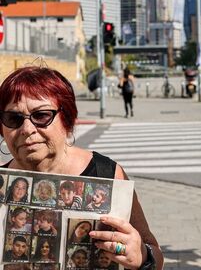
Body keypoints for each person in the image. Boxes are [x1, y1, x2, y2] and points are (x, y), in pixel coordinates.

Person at [0, 66, 163, 270]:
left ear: (66, 120)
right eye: (13, 118)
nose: (27, 129)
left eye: (41, 116)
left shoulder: (107, 174)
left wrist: (142, 256)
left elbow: (155, 254)